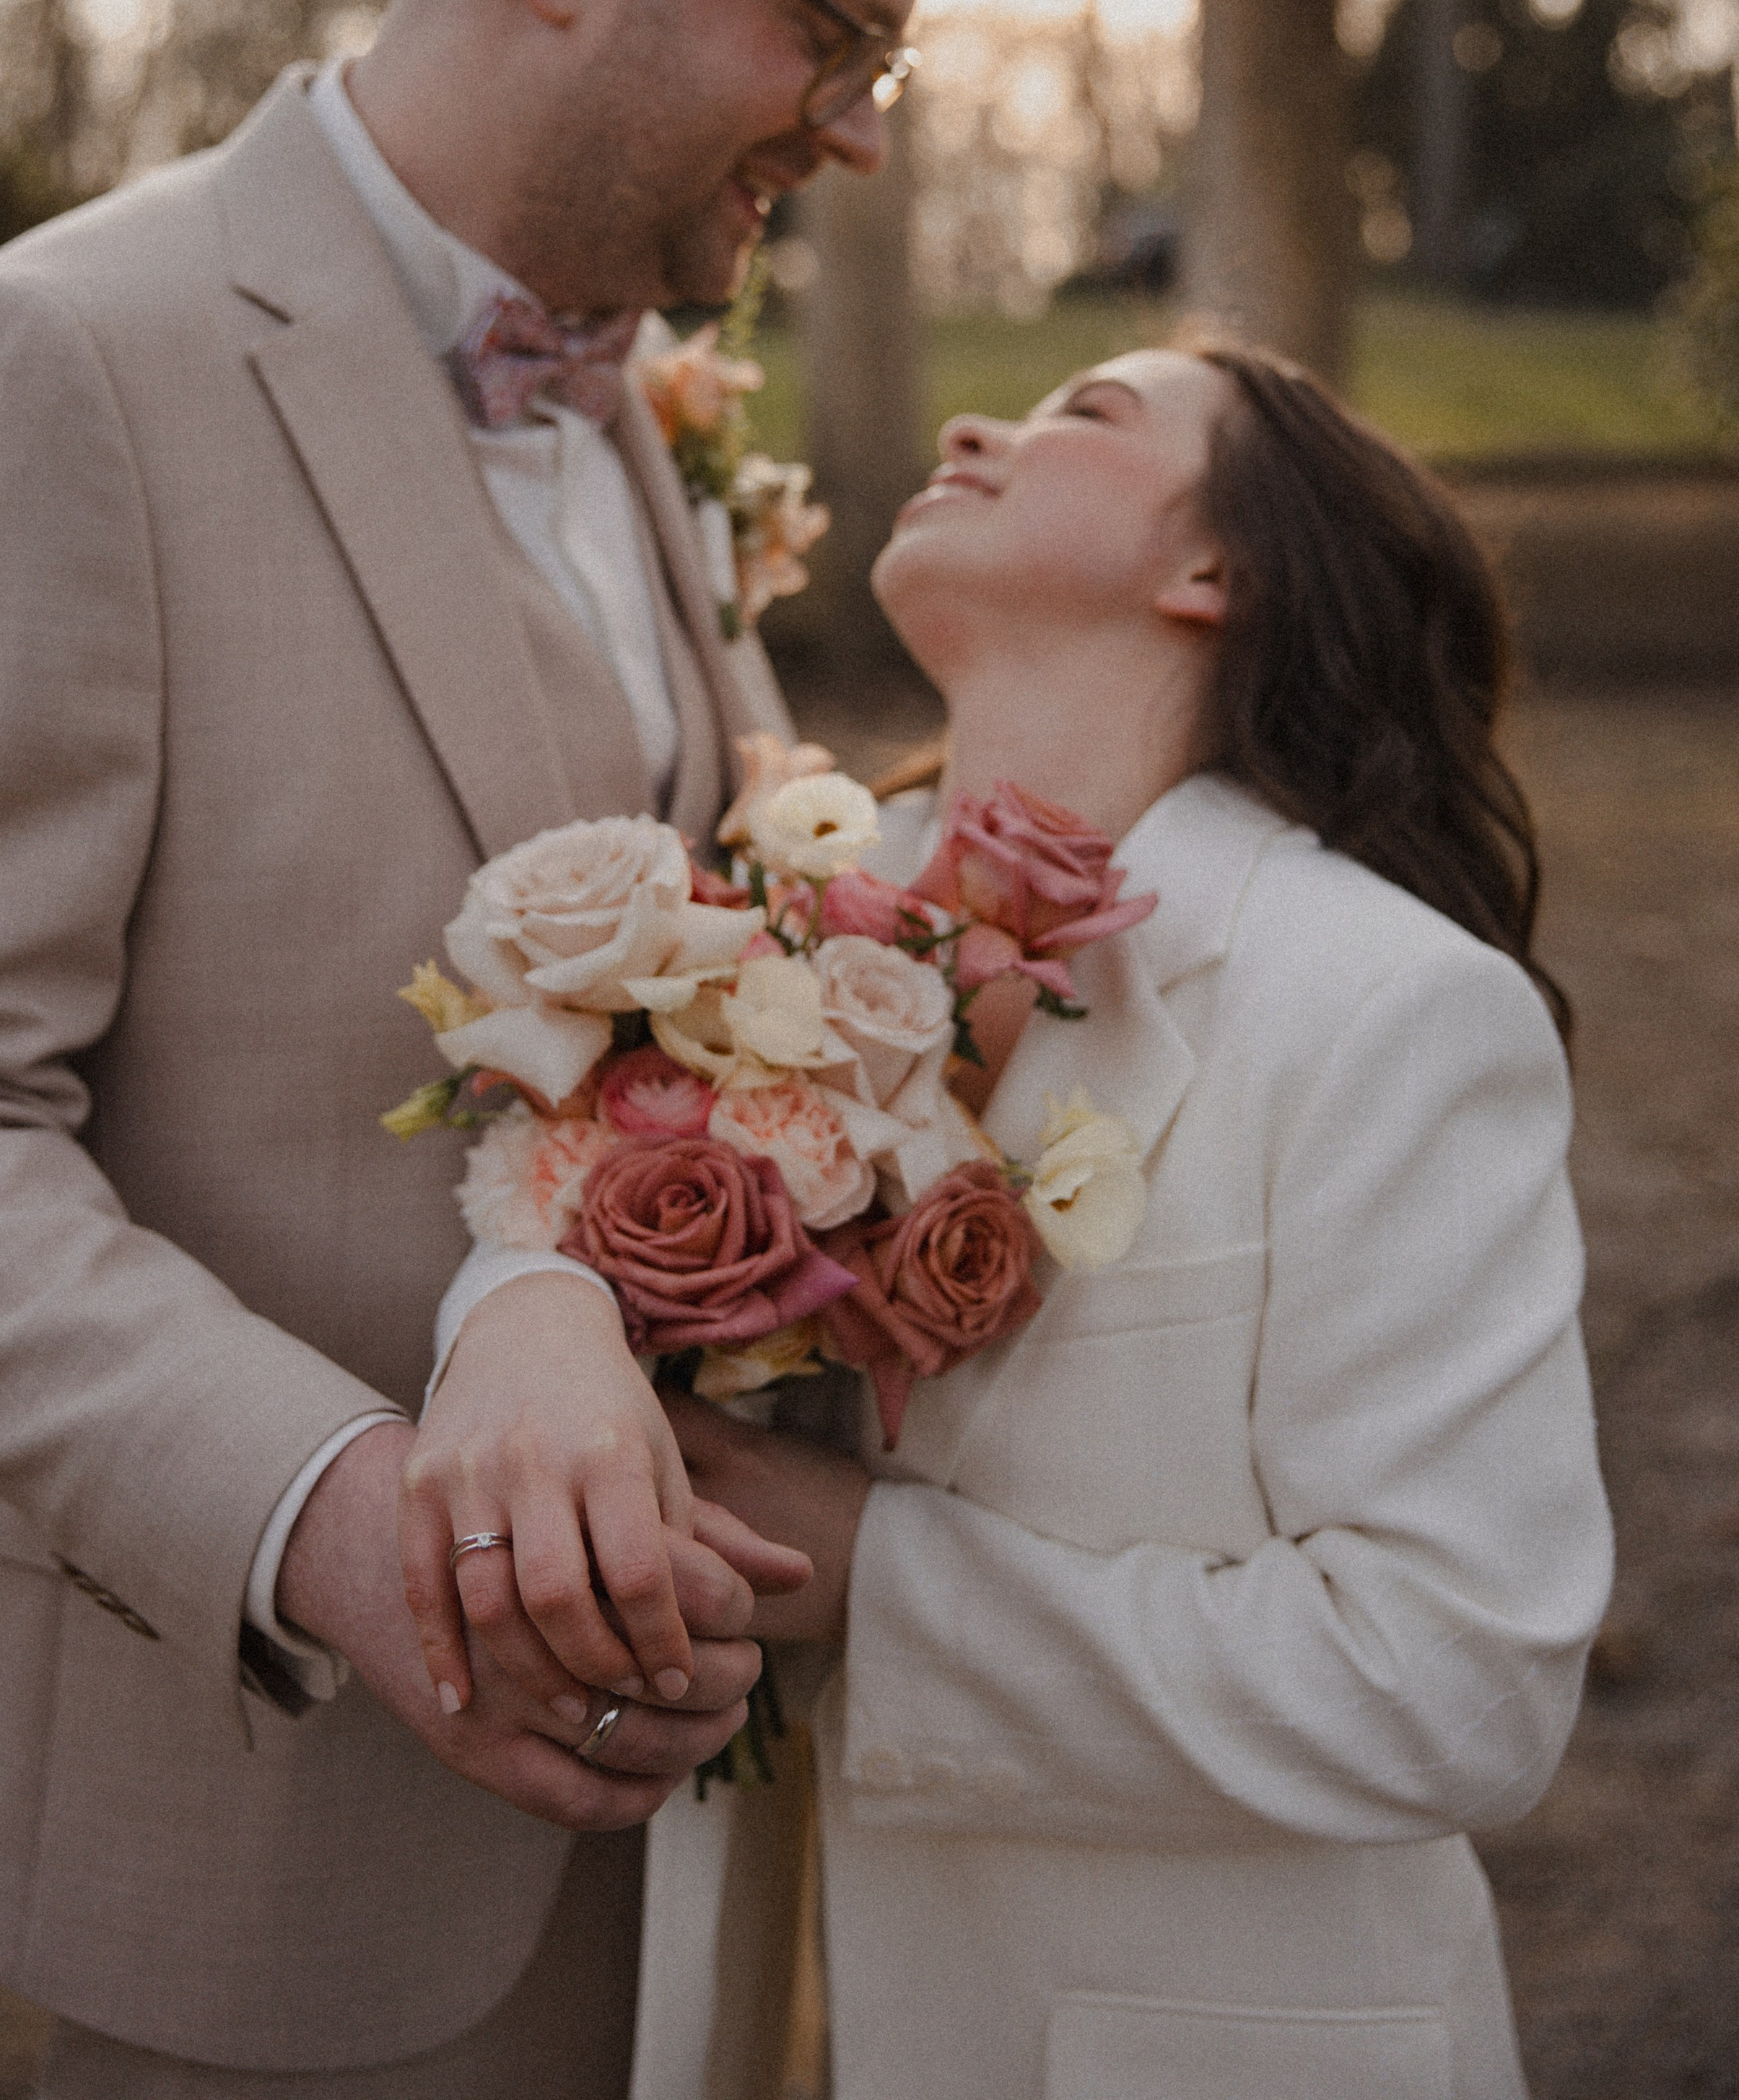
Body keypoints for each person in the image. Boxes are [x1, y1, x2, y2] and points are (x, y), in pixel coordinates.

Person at [0, 0, 961, 2098]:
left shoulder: (647, 392)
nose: (866, 124)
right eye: (837, 31)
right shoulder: (60, 366)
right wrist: (339, 1517)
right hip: (285, 1851)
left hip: (700, 1841)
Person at [665, 341, 1616, 2100]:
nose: (968, 424)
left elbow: (1452, 1682)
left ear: (1212, 576)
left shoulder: (1388, 1011)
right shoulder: (770, 917)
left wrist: (882, 1580)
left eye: (1081, 414)